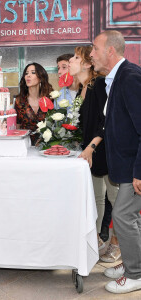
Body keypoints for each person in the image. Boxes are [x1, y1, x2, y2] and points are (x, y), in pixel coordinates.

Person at [90, 30, 141, 294]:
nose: (90, 54)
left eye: (94, 49)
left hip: (136, 167)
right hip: (125, 167)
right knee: (131, 218)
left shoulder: (130, 77)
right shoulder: (116, 78)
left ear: (110, 51)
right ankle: (135, 262)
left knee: (122, 216)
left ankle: (136, 274)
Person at [69, 45, 119, 256]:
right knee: (97, 198)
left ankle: (117, 243)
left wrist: (91, 146)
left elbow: (105, 120)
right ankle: (97, 240)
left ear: (88, 63)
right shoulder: (81, 89)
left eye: (74, 57)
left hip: (105, 149)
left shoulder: (98, 85)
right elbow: (80, 122)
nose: (70, 61)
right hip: (91, 152)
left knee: (116, 199)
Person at [15, 63, 53, 145]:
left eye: (33, 72)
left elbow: (54, 125)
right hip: (25, 146)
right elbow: (17, 127)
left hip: (46, 146)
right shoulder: (19, 101)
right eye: (26, 73)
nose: (28, 75)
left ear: (41, 77)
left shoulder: (49, 99)